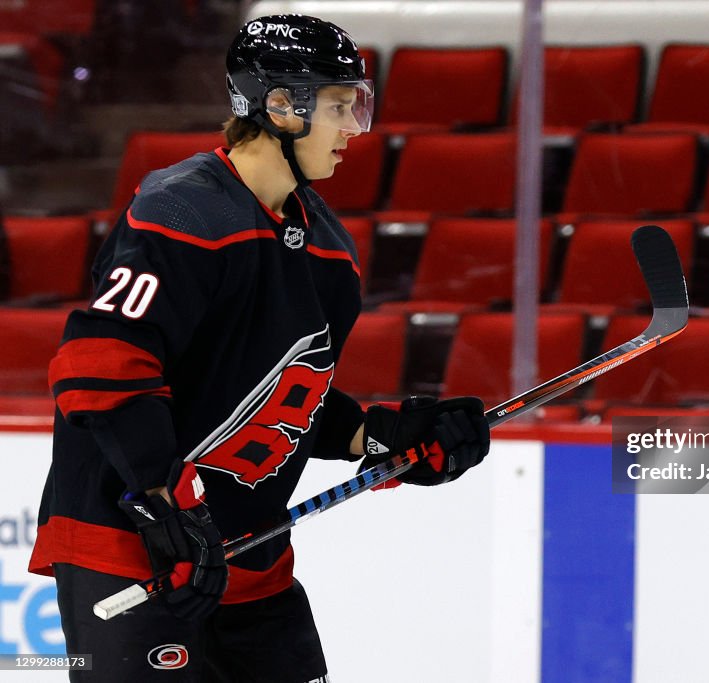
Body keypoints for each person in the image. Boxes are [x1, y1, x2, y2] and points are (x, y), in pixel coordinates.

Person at [29, 14, 490, 682]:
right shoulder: (182, 211)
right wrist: (168, 501)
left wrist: (380, 434)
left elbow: (281, 399)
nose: (354, 129)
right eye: (339, 107)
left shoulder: (330, 252)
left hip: (251, 560)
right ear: (280, 107)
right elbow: (103, 367)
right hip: (133, 552)